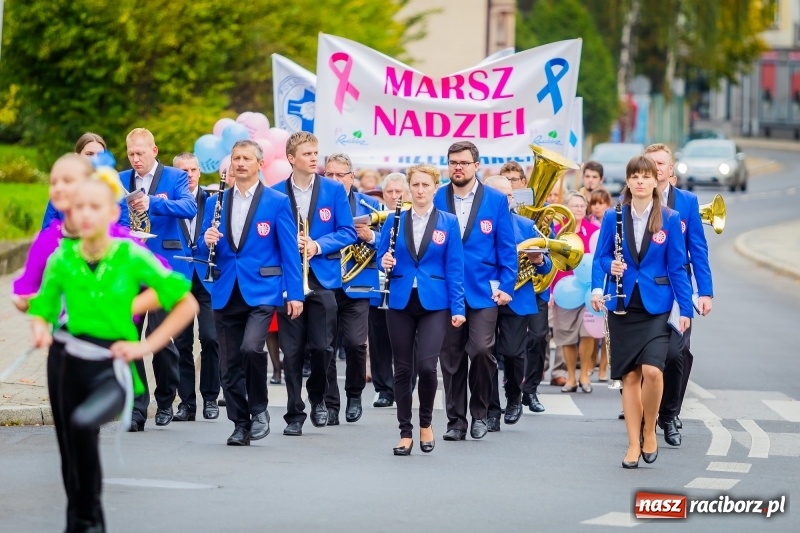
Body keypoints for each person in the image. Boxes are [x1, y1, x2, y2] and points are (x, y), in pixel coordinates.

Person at [28, 169, 197, 532]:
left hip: (112, 365)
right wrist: (41, 330)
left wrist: (146, 344)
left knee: (84, 424)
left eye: (95, 206)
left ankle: (87, 520)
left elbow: (184, 301)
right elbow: (42, 309)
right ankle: (84, 522)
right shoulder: (62, 258)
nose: (86, 214)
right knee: (70, 450)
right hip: (65, 361)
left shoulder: (130, 255)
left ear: (111, 213)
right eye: (79, 208)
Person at [198, 140, 304, 446]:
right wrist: (206, 238)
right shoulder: (218, 199)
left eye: (246, 158)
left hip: (262, 290)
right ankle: (239, 424)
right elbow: (204, 245)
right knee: (229, 364)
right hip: (225, 287)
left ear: (259, 164)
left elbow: (289, 251)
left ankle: (259, 410)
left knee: (250, 349)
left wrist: (294, 293)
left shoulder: (276, 201)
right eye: (235, 158)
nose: (240, 163)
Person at [590, 155, 693, 469]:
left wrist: (685, 308)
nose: (640, 181)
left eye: (646, 176)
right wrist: (605, 276)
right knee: (630, 377)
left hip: (658, 305)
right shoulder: (613, 216)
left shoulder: (670, 218)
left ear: (654, 181)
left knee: (653, 371)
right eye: (634, 176)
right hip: (623, 306)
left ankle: (650, 429)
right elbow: (601, 257)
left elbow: (677, 267)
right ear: (628, 181)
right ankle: (633, 444)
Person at [272, 132, 356, 435]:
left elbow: (348, 231)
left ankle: (318, 397)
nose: (313, 158)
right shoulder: (275, 192)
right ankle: (294, 414)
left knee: (323, 348)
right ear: (291, 158)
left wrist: (317, 245)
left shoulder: (333, 190)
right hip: (288, 281)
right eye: (307, 153)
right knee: (291, 352)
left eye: (315, 153)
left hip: (322, 280)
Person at [378, 164, 466, 455]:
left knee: (428, 368)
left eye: (425, 185)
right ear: (408, 187)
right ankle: (405, 432)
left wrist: (458, 307)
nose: (419, 190)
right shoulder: (394, 219)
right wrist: (385, 262)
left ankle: (425, 423)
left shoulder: (448, 221)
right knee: (402, 370)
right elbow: (382, 255)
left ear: (434, 188)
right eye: (415, 185)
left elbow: (454, 267)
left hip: (435, 303)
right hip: (400, 300)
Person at [433, 141, 517, 441]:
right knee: (451, 358)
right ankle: (456, 422)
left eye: (464, 162)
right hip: (445, 291)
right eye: (453, 162)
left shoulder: (494, 200)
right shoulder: (436, 197)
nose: (458, 167)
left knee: (482, 350)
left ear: (476, 165)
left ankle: (480, 413)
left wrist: (507, 285)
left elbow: (507, 248)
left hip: (484, 291)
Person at [121, 128, 197, 431]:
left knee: (161, 338)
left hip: (163, 267)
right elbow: (113, 215)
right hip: (130, 268)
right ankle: (137, 409)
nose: (136, 159)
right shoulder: (120, 177)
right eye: (131, 154)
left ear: (154, 150)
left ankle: (166, 400)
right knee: (128, 336)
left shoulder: (175, 177)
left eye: (140, 153)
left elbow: (189, 208)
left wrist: (153, 203)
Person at [645, 143, 714, 447]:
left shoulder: (687, 202)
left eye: (662, 163)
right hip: (642, 291)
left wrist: (705, 292)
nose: (657, 168)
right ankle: (644, 415)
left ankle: (669, 415)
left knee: (677, 354)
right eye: (651, 163)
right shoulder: (632, 200)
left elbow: (698, 250)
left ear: (671, 169)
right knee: (641, 359)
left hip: (678, 290)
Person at [484, 176, 551, 429]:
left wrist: (538, 261)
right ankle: (491, 409)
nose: (506, 200)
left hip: (517, 297)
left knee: (512, 353)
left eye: (509, 195)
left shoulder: (526, 225)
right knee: (485, 354)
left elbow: (548, 267)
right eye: (500, 195)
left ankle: (514, 397)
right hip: (485, 296)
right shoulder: (478, 225)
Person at [323, 153, 381, 423]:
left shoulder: (370, 205)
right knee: (325, 347)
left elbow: (390, 243)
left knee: (357, 345)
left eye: (340, 175)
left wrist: (373, 236)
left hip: (358, 285)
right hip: (324, 284)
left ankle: (355, 394)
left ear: (350, 177)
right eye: (329, 174)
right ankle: (331, 403)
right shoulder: (317, 204)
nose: (334, 180)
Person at [171, 153, 221, 422]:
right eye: (183, 170)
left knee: (212, 338)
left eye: (193, 169)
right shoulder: (168, 200)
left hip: (207, 277)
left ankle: (211, 397)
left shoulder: (214, 201)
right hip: (179, 277)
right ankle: (187, 403)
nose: (189, 174)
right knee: (181, 343)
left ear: (200, 173)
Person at [550, 192, 599, 393]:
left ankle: (585, 375)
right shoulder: (557, 232)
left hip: (589, 290)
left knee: (588, 334)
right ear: (566, 208)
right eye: (574, 205)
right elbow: (551, 263)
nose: (578, 209)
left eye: (581, 205)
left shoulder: (595, 231)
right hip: (565, 290)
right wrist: (551, 291)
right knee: (566, 335)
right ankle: (570, 376)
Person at [368, 172, 409, 407]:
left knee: (406, 339)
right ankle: (383, 388)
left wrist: (373, 238)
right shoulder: (374, 216)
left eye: (398, 192)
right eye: (390, 192)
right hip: (378, 285)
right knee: (378, 337)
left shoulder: (414, 216)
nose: (394, 196)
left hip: (404, 284)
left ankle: (406, 384)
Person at [41, 133, 131, 229]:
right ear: (77, 156)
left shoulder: (112, 190)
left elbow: (124, 227)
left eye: (100, 155)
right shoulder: (63, 191)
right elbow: (47, 230)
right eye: (89, 154)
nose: (95, 159)